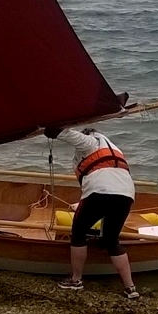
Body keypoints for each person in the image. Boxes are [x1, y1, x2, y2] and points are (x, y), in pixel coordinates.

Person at [43, 126, 140, 299]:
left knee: (78, 233)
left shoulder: (91, 142)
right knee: (111, 240)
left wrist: (52, 130)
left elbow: (70, 135)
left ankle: (76, 280)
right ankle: (130, 288)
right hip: (126, 195)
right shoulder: (115, 148)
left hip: (99, 192)